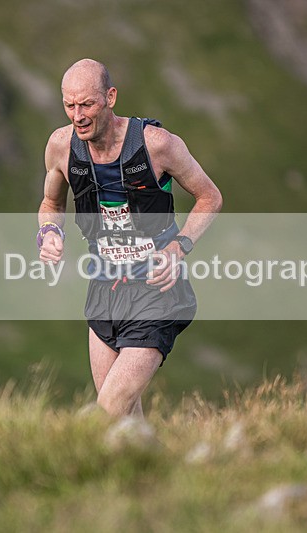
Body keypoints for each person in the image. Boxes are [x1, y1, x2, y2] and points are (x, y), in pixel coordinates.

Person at [38, 58, 222, 417]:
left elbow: (210, 197)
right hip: (104, 291)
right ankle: (152, 467)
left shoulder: (158, 145)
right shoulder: (61, 146)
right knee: (126, 424)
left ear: (110, 97)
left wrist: (179, 246)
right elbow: (50, 202)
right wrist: (48, 232)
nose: (77, 116)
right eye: (69, 105)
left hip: (158, 293)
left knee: (107, 411)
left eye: (87, 104)